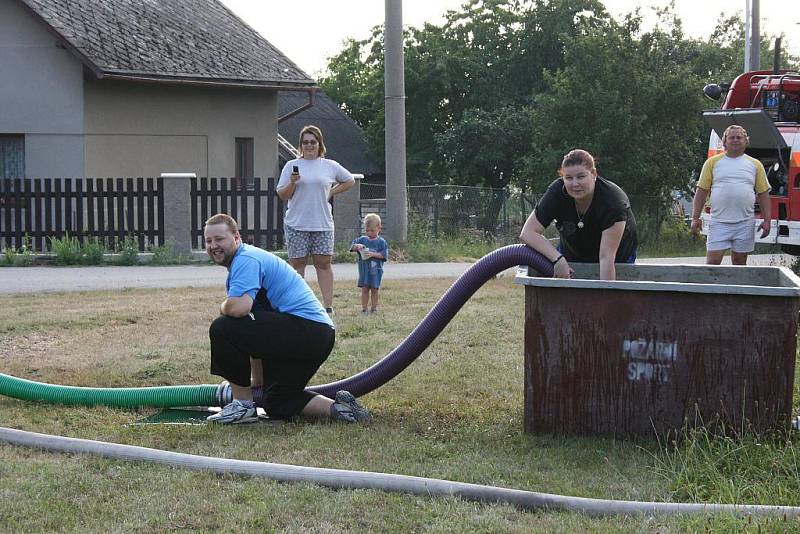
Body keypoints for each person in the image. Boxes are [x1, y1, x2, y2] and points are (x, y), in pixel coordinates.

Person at [203, 213, 370, 424]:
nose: (213, 245)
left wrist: (223, 305)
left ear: (236, 237)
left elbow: (239, 310)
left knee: (222, 327)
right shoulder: (245, 260)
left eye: (219, 239)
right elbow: (252, 333)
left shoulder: (245, 259)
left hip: (306, 329)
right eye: (208, 241)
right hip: (316, 336)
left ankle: (242, 407)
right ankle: (341, 409)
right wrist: (257, 381)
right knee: (276, 402)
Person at [520, 149, 638, 281]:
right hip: (570, 252)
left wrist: (606, 298)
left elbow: (606, 258)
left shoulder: (613, 201)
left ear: (593, 174)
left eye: (581, 176)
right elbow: (527, 233)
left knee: (615, 299)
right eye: (569, 178)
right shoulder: (556, 193)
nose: (575, 184)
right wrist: (557, 259)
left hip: (617, 258)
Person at [277, 125, 355, 316]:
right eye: (305, 142)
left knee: (323, 264)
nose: (309, 145)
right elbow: (282, 194)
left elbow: (349, 180)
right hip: (296, 223)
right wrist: (293, 182)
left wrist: (331, 192)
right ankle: (299, 304)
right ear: (300, 145)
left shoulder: (329, 165)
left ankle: (328, 306)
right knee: (297, 266)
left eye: (313, 141)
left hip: (322, 223)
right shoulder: (291, 166)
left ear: (319, 143)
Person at [690, 125, 771, 265]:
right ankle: (712, 287)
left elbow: (763, 194)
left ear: (746, 141)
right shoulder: (712, 162)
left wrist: (767, 220)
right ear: (724, 141)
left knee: (739, 262)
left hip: (744, 223)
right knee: (712, 263)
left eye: (739, 137)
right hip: (719, 222)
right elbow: (701, 191)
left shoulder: (755, 164)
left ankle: (736, 288)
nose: (735, 140)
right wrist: (695, 218)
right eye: (731, 137)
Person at [349, 213, 388, 314]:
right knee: (365, 289)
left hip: (376, 271)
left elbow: (383, 255)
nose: (369, 233)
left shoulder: (381, 242)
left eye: (372, 231)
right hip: (364, 271)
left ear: (379, 228)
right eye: (367, 230)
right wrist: (357, 246)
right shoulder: (362, 239)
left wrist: (372, 254)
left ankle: (374, 308)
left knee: (375, 289)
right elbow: (352, 247)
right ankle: (364, 308)